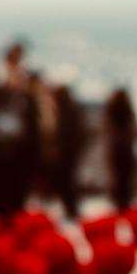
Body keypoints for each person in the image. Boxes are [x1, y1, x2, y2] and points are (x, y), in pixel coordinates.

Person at [0, 44, 41, 218]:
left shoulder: (27, 100)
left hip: (19, 160)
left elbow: (34, 133)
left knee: (17, 207)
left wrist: (35, 165)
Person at [45, 67, 87, 219]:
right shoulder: (67, 109)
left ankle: (71, 209)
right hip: (68, 152)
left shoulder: (67, 110)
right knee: (67, 183)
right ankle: (71, 209)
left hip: (67, 153)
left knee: (67, 183)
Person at [103, 87, 137, 211]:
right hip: (127, 149)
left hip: (116, 148)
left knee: (117, 179)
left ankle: (118, 204)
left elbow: (106, 126)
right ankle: (125, 205)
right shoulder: (128, 111)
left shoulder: (111, 110)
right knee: (126, 180)